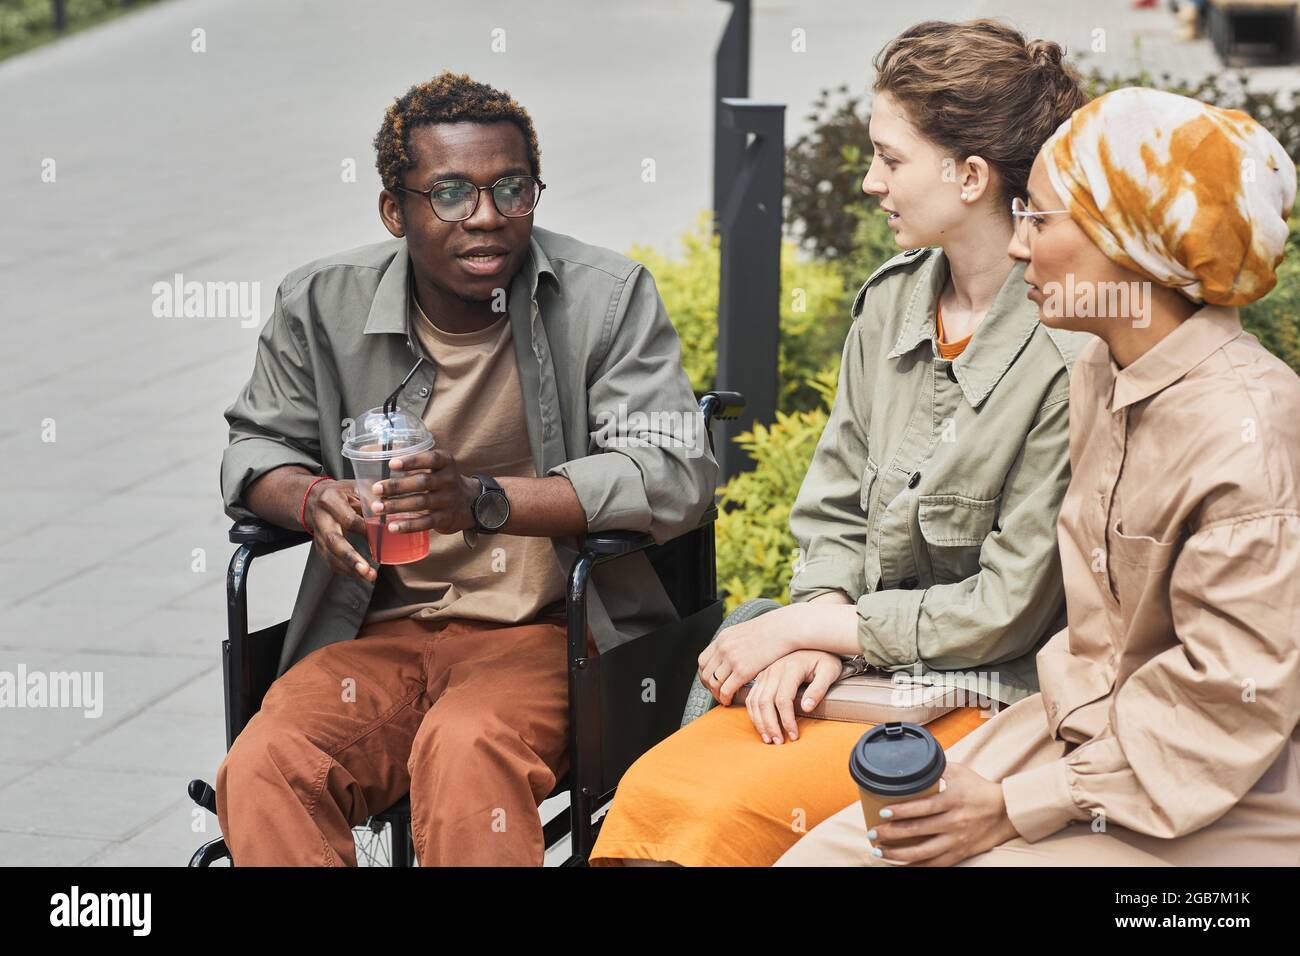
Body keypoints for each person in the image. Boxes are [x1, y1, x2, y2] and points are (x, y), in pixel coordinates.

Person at [590, 19, 1090, 867]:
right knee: (652, 799)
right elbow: (832, 514)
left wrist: (819, 634)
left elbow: (1008, 611)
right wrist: (818, 624)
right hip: (857, 668)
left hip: (987, 695)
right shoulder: (889, 304)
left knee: (713, 819)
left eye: (891, 159)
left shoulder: (1068, 356)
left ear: (969, 176)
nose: (869, 182)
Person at [779, 87, 1300, 867]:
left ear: (1130, 246)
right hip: (1072, 735)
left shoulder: (1245, 436)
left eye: (1041, 220)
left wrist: (1019, 806)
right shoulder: (1101, 370)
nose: (1019, 245)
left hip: (1211, 790)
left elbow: (1224, 708)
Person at [214, 71, 717, 866]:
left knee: (467, 748)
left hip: (547, 633)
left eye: (510, 189)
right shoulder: (320, 303)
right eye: (450, 193)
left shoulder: (606, 298)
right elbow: (253, 448)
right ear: (394, 209)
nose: (486, 217)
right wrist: (310, 496)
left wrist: (483, 500)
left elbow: (676, 472)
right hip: (373, 632)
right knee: (267, 765)